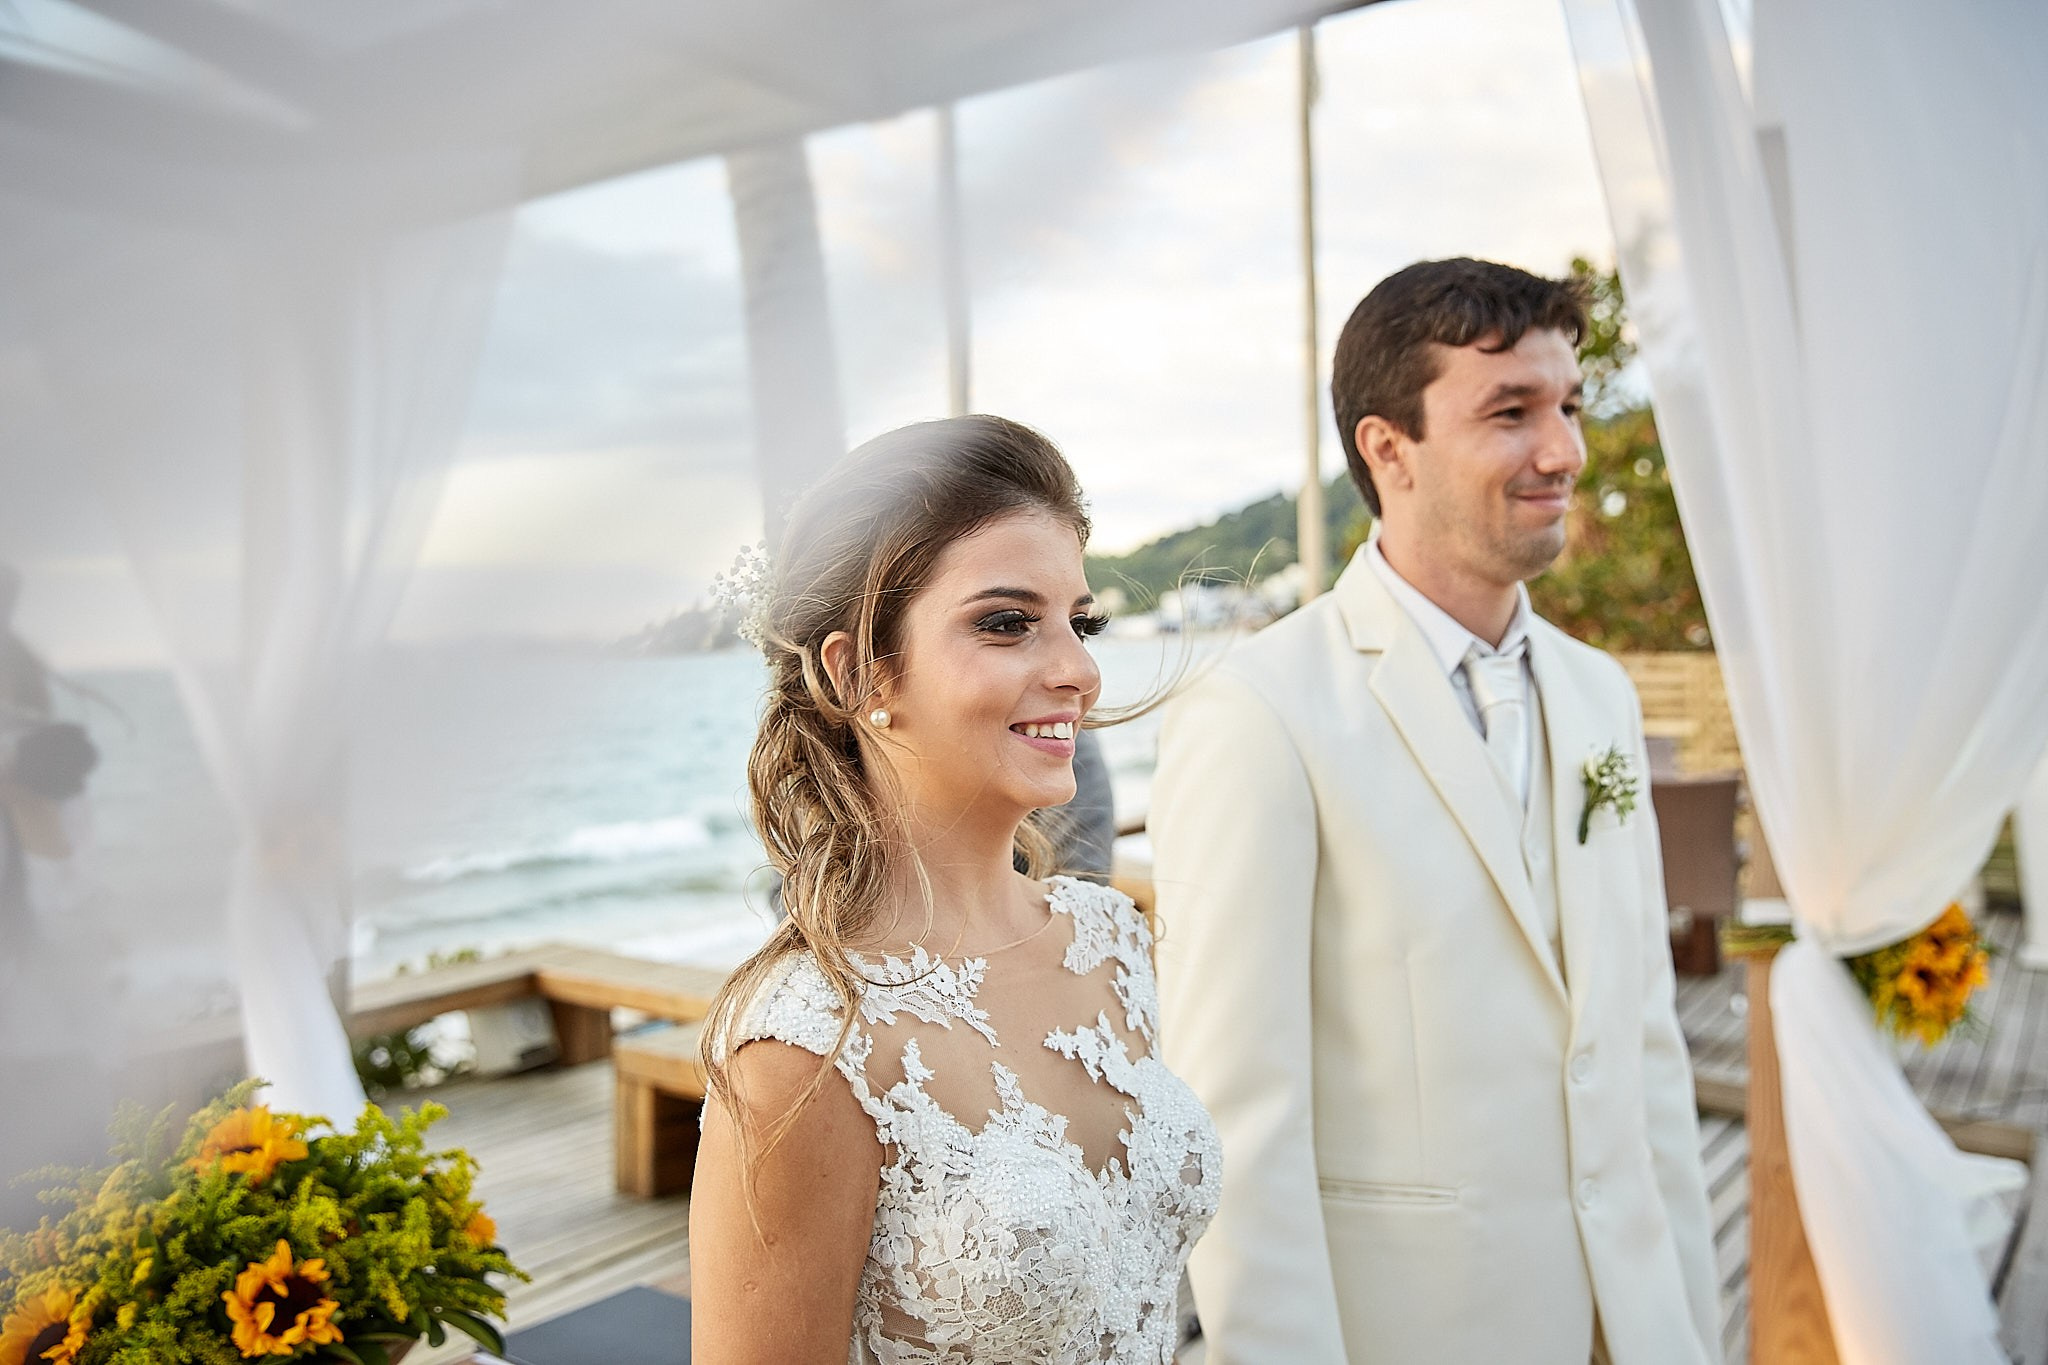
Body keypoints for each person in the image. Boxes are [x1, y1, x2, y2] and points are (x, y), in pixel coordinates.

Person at [1150, 259, 1719, 1365]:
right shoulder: (1256, 714)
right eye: (1508, 413)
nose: (1561, 452)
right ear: (1386, 449)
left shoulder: (1597, 694)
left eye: (1565, 407)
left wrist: (1684, 1322)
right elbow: (1232, 1121)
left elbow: (1640, 1045)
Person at [690, 416, 1220, 1365]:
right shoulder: (808, 1045)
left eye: (1080, 621)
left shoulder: (1109, 939)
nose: (1079, 671)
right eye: (1007, 622)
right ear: (856, 670)